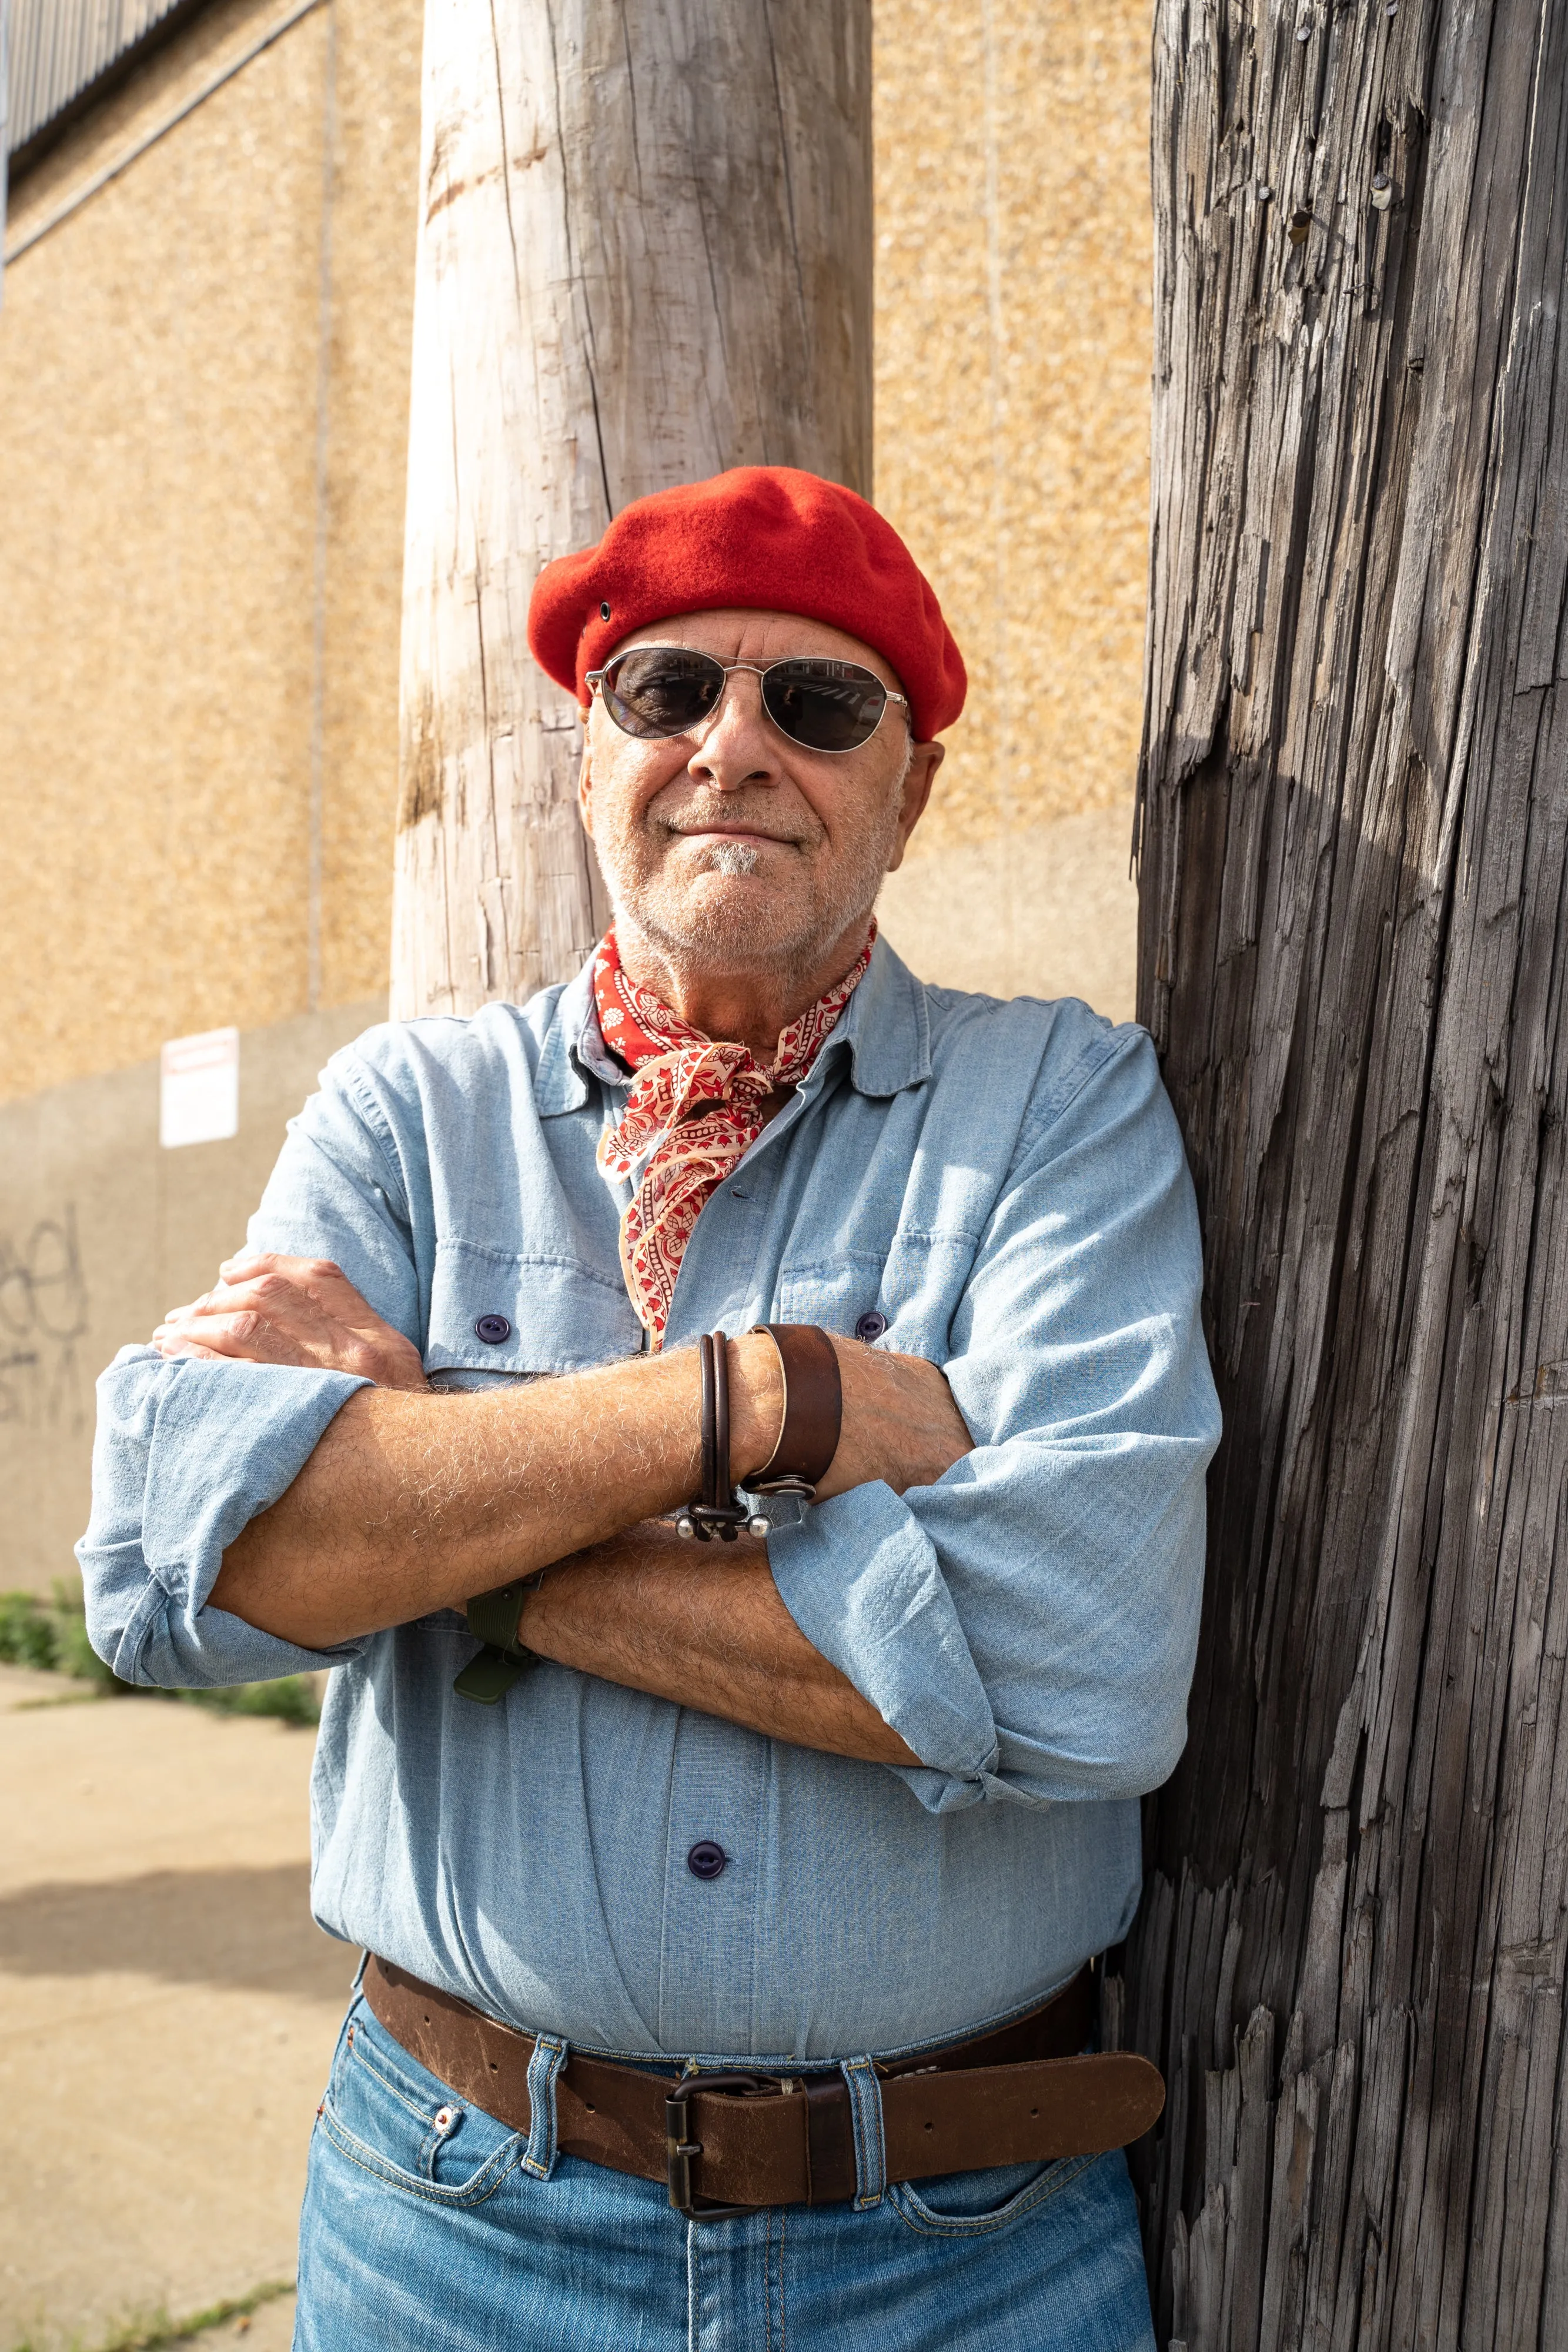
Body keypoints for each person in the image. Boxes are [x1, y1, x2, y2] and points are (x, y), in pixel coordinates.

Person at [80, 466, 1220, 2351]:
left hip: (965, 2247)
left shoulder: (1061, 1111)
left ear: (911, 788)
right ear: (584, 753)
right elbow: (163, 1572)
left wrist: (443, 1507)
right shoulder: (405, 1118)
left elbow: (1087, 1667)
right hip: (456, 2227)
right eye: (670, 690)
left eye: (821, 704)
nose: (735, 747)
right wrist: (767, 1397)